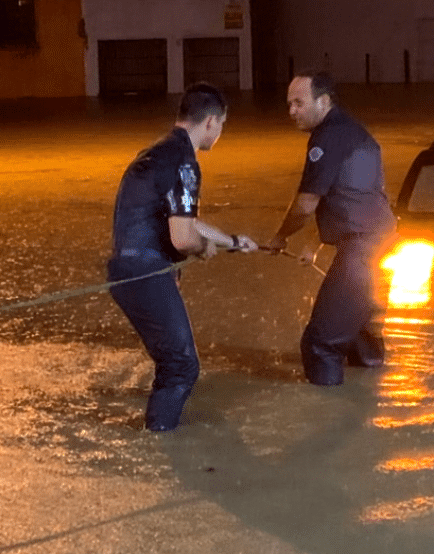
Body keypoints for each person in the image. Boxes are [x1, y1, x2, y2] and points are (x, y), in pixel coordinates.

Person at [107, 82, 258, 432]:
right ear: (211, 122)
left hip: (126, 270)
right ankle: (161, 443)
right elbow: (183, 237)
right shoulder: (186, 165)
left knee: (171, 362)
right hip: (144, 273)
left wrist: (231, 241)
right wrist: (201, 247)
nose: (219, 133)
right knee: (181, 366)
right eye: (221, 126)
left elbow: (185, 222)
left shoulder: (158, 153)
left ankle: (158, 433)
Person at [265, 70, 396, 386]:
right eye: (288, 104)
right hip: (381, 244)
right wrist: (314, 243)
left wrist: (280, 237)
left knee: (320, 344)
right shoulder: (353, 132)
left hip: (362, 251)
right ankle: (370, 407)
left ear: (323, 101)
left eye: (298, 103)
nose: (291, 111)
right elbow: (349, 194)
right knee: (358, 335)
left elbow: (307, 203)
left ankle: (328, 421)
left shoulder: (326, 139)